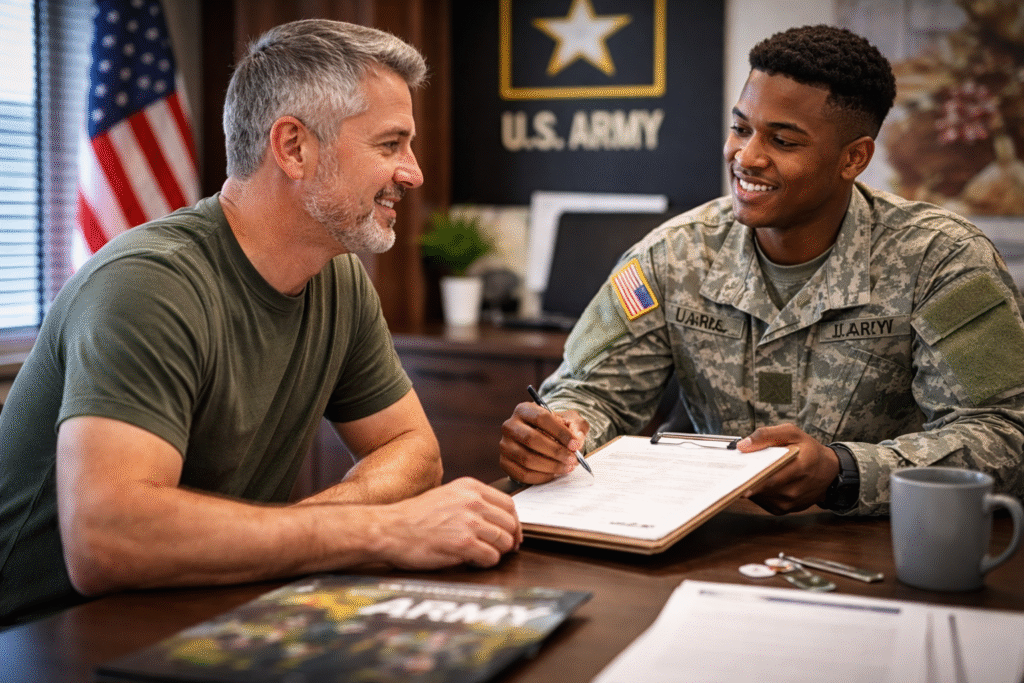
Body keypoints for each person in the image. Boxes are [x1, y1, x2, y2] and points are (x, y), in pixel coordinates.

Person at [0, 19, 521, 629]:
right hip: (42, 637)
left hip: (204, 609)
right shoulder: (147, 285)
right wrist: (377, 528)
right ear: (293, 147)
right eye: (389, 145)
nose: (413, 173)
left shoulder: (339, 280)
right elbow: (108, 541)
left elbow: (412, 451)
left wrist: (311, 529)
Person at [499, 24, 1024, 517]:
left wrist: (844, 471)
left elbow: (1005, 435)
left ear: (854, 158)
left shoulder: (942, 261)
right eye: (740, 128)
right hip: (705, 537)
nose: (746, 157)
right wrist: (561, 432)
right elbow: (591, 392)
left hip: (880, 544)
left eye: (784, 140)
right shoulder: (671, 256)